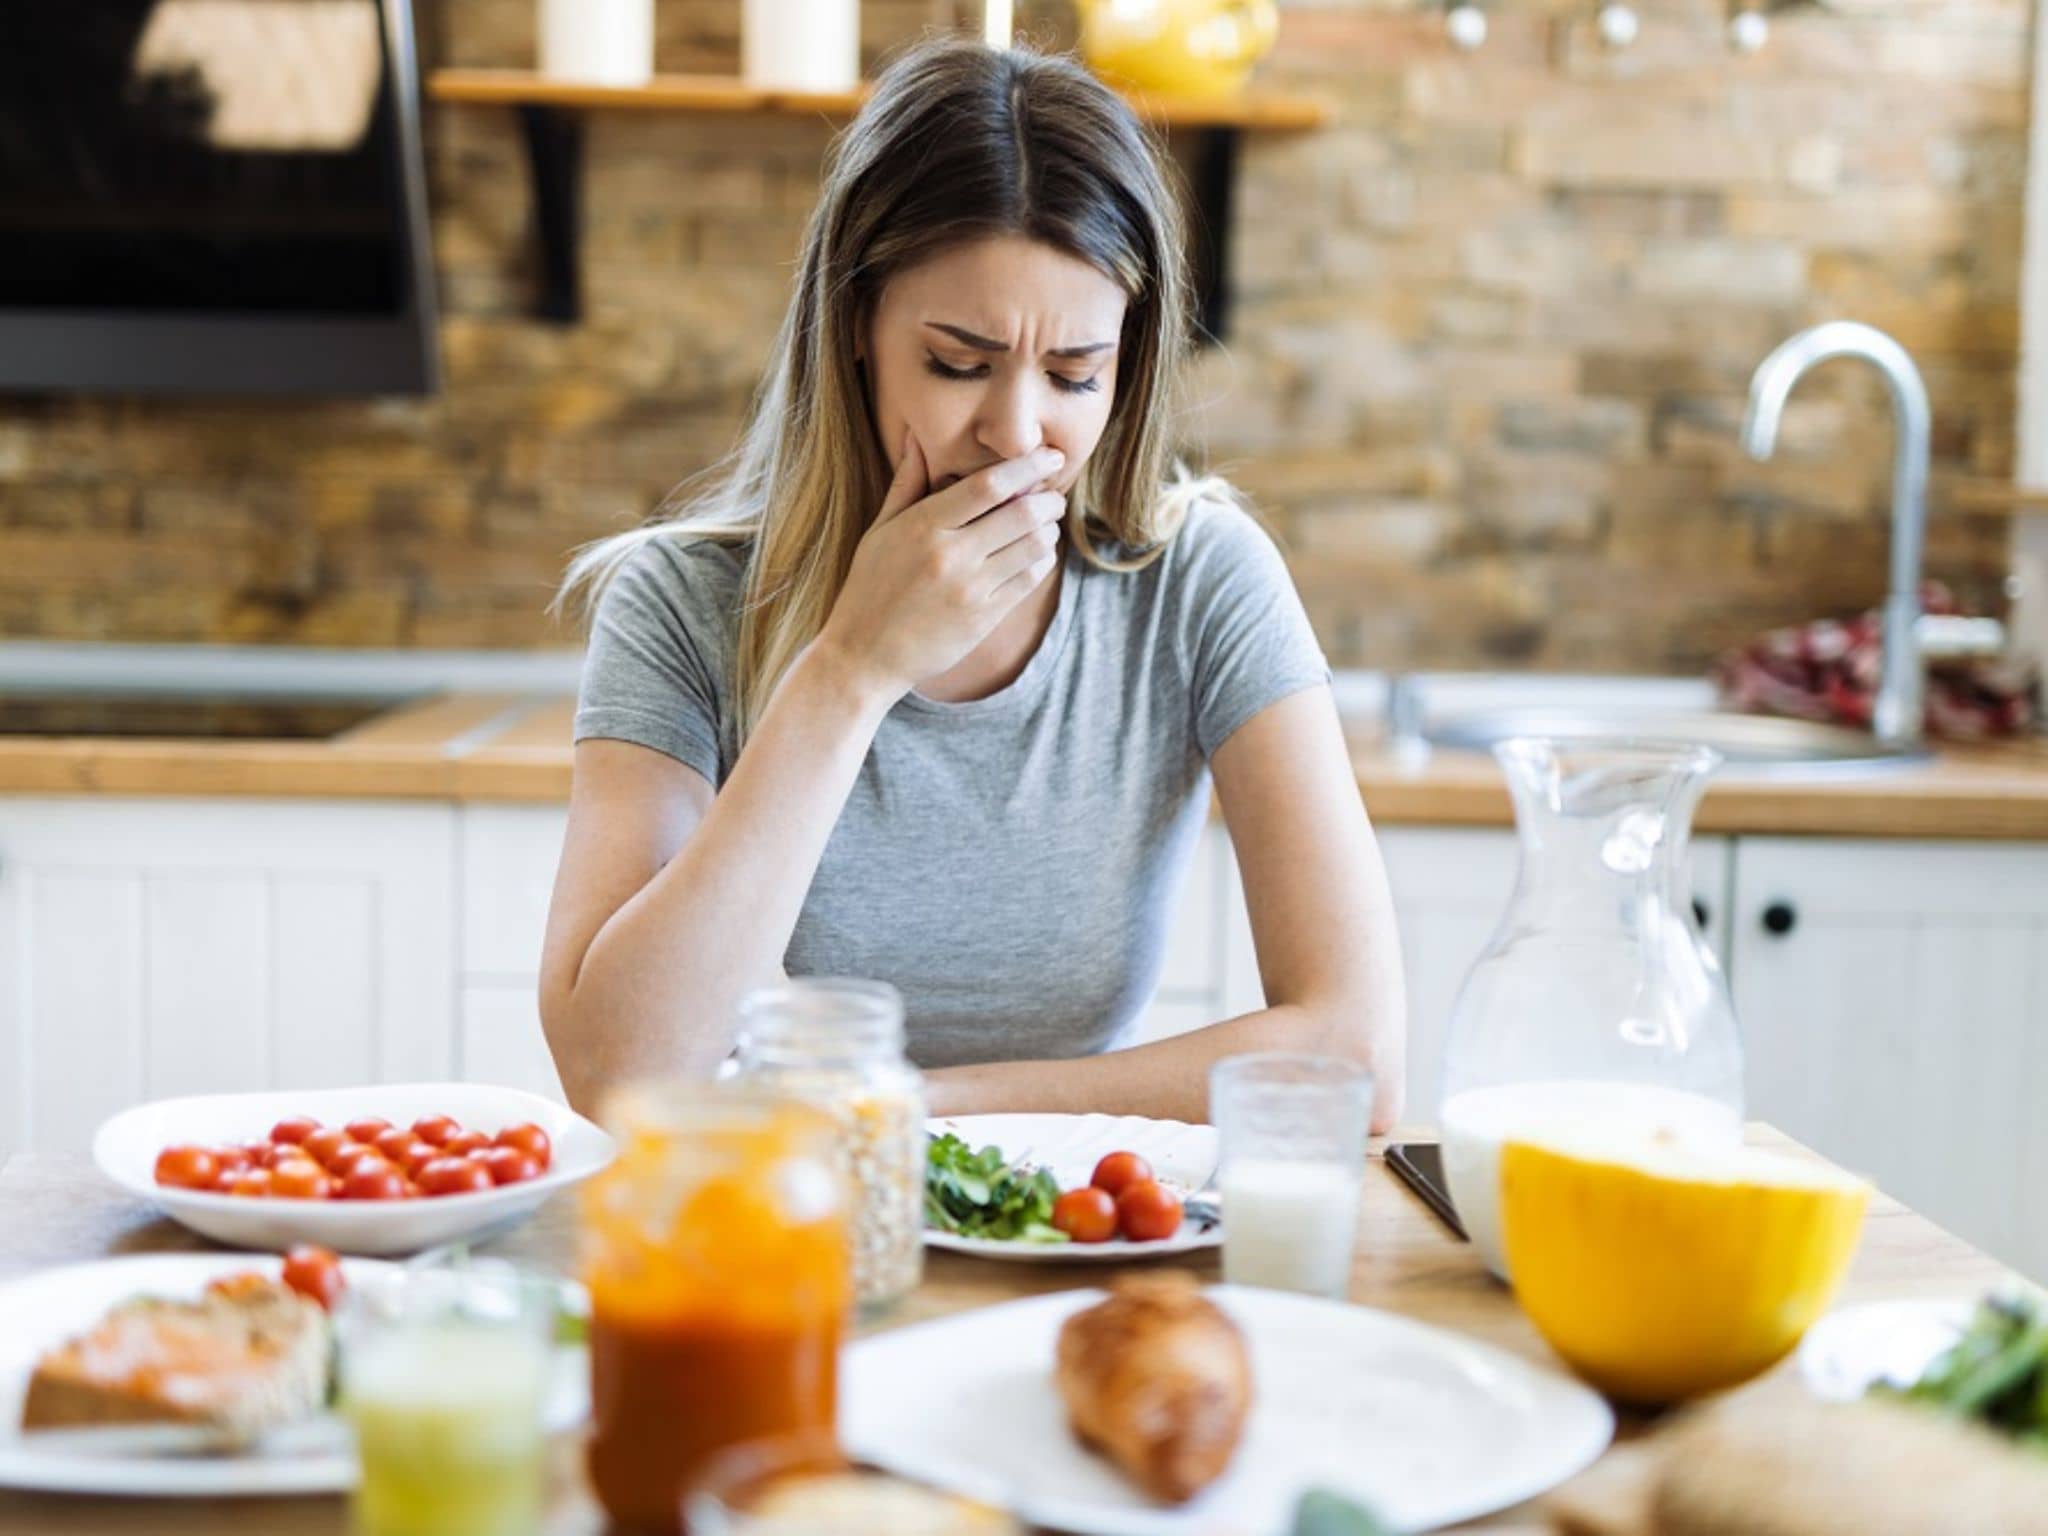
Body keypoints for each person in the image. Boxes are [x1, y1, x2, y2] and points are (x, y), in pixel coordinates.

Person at [541, 36, 1405, 1128]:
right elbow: (618, 1075)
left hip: (1073, 1234)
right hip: (770, 1236)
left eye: (1073, 375)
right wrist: (850, 669)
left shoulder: (1198, 582)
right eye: (958, 364)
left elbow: (1358, 1056)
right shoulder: (676, 602)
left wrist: (904, 1109)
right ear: (856, 327)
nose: (1014, 433)